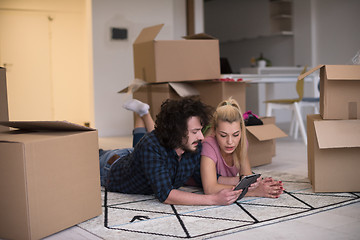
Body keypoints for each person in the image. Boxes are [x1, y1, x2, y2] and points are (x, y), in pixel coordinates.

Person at [99, 97, 243, 205]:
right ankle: (141, 114)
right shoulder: (151, 146)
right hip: (111, 166)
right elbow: (166, 195)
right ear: (177, 132)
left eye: (200, 130)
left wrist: (241, 181)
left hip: (137, 158)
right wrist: (213, 200)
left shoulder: (193, 146)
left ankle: (141, 113)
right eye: (195, 131)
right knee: (88, 157)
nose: (201, 137)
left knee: (137, 148)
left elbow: (206, 177)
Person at [200, 97, 284, 198]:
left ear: (241, 131)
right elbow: (210, 189)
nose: (230, 142)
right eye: (223, 135)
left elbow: (247, 178)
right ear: (214, 131)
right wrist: (253, 192)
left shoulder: (242, 142)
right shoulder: (208, 145)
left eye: (235, 135)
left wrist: (258, 184)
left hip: (220, 179)